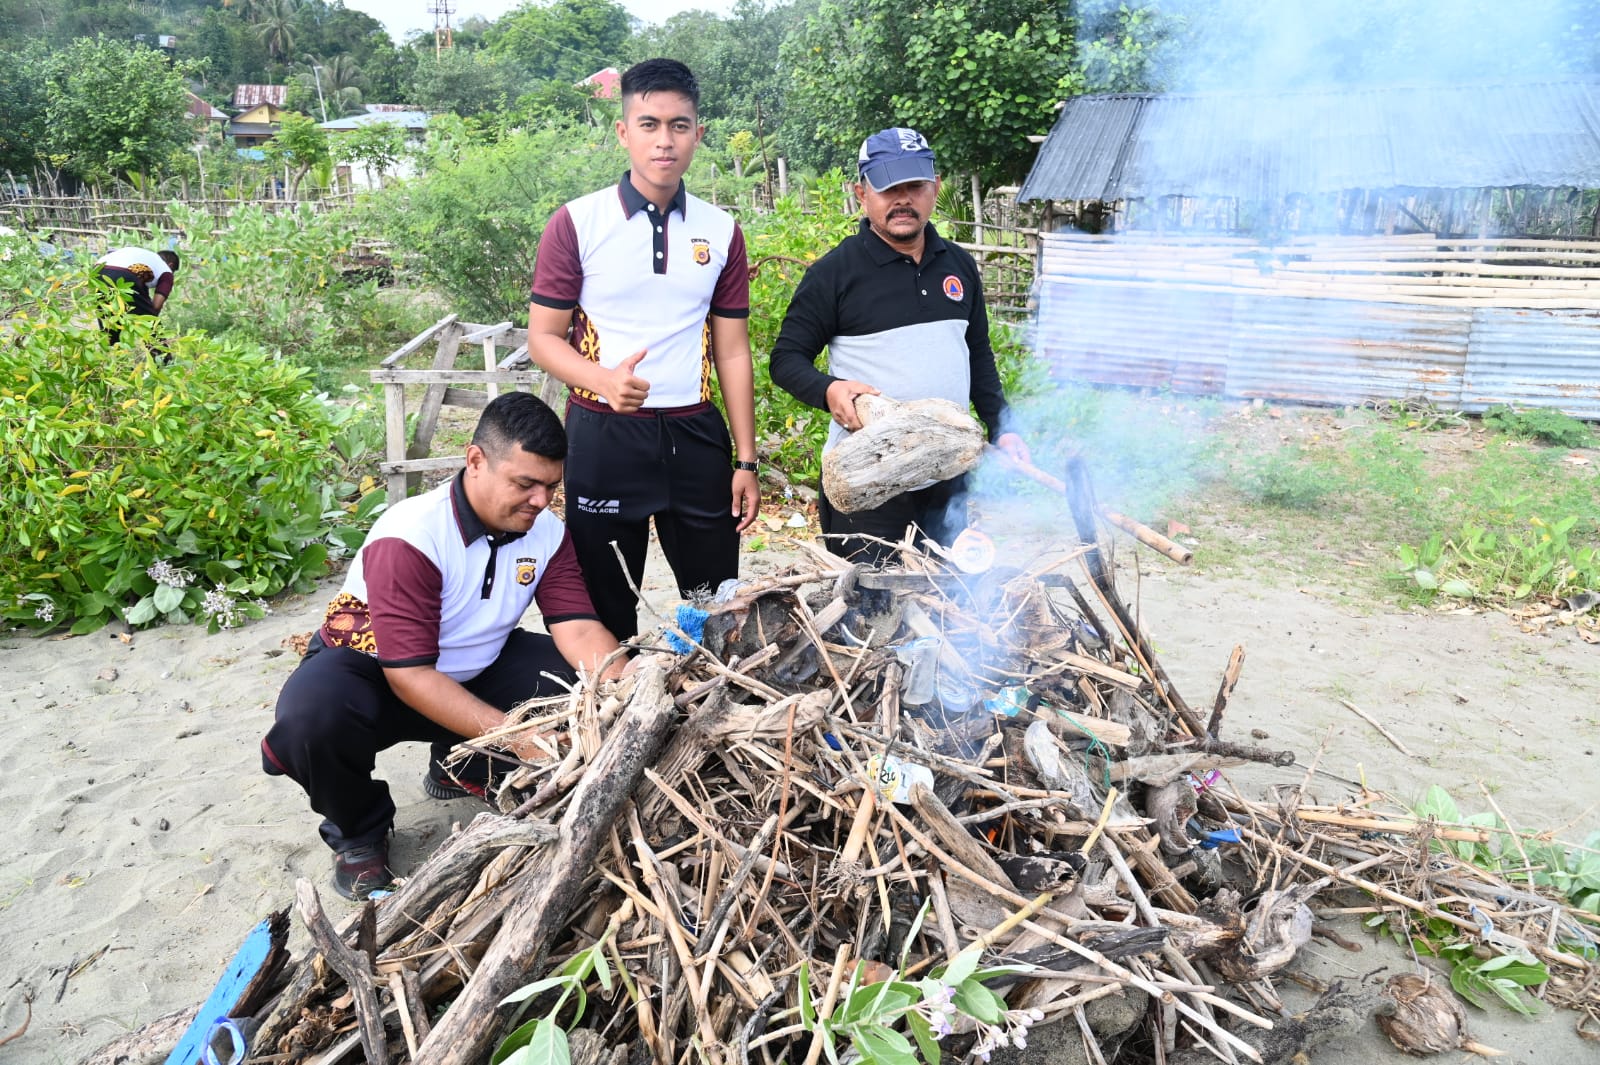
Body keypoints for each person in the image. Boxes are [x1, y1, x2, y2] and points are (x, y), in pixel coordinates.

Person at [261, 392, 624, 900]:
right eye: (525, 484)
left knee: (575, 685)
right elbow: (409, 675)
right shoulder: (412, 535)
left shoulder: (546, 533)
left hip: (476, 666)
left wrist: (623, 689)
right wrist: (517, 735)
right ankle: (360, 835)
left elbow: (580, 630)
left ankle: (459, 764)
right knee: (310, 718)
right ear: (475, 461)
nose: (540, 501)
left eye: (550, 486)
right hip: (375, 673)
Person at [528, 57, 759, 642]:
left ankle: (712, 722)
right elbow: (543, 339)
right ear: (623, 132)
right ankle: (613, 722)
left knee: (716, 609)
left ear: (697, 134)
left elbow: (732, 352)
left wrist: (746, 460)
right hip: (604, 436)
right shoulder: (577, 223)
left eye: (680, 125)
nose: (665, 140)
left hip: (696, 437)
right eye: (650, 124)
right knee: (605, 610)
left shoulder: (722, 230)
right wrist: (602, 379)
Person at [769, 127, 1032, 563]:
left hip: (946, 473)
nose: (902, 199)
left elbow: (978, 355)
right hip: (867, 477)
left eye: (914, 186)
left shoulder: (959, 266)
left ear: (935, 188)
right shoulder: (835, 274)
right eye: (888, 188)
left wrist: (1004, 428)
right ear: (861, 193)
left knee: (945, 602)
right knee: (872, 613)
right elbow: (786, 360)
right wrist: (829, 389)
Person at [94, 246, 180, 341]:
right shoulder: (166, 272)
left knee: (109, 322)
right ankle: (160, 354)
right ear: (171, 265)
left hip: (97, 271)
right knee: (151, 323)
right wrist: (144, 321)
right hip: (125, 273)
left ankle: (112, 352)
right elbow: (155, 307)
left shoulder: (147, 260)